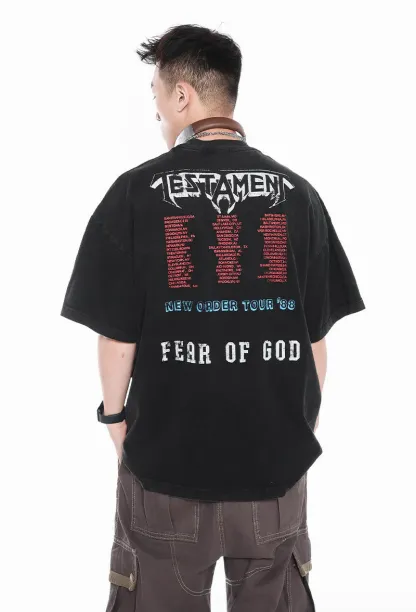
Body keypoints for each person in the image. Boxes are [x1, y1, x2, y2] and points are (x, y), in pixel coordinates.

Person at [60, 24, 365, 612]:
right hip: (274, 474)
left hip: (165, 473)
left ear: (183, 95)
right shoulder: (299, 194)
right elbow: (315, 342)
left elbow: (116, 339)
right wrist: (292, 429)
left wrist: (117, 422)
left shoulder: (135, 192)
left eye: (156, 93)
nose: (155, 109)